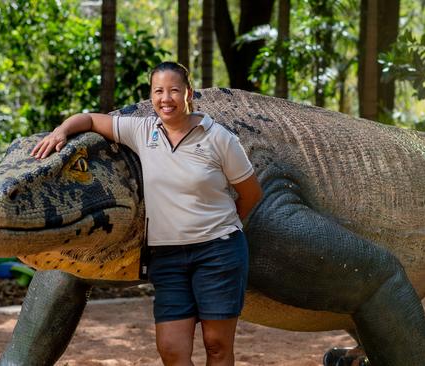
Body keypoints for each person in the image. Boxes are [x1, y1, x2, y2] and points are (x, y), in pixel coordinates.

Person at [30, 61, 263, 366]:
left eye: (174, 90)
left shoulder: (219, 138)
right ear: (151, 96)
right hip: (167, 257)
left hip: (218, 252)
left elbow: (251, 193)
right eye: (159, 91)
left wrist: (225, 226)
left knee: (217, 345)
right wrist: (61, 131)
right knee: (171, 348)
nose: (166, 98)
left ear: (188, 93)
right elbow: (87, 120)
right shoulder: (142, 130)